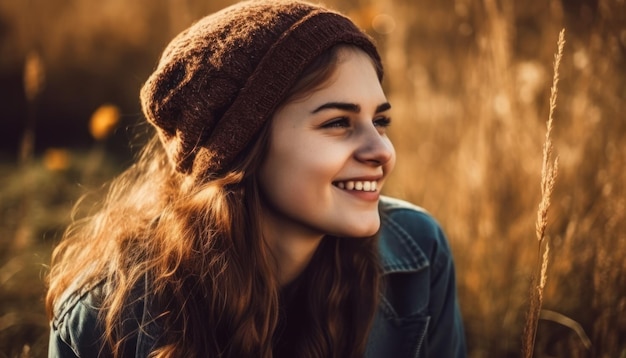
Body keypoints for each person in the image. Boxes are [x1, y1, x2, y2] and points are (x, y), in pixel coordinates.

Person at [46, 0, 466, 357]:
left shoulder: (419, 252)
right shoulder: (102, 319)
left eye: (380, 121)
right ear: (241, 147)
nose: (382, 151)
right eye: (338, 122)